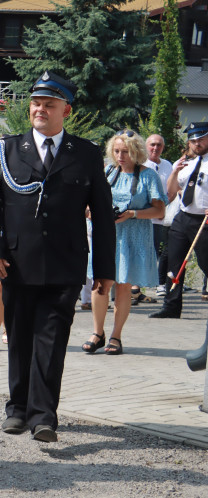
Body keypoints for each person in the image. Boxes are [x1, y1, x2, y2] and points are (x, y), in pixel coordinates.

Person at [0, 71, 115, 443]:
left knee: (51, 341)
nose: (40, 109)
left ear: (66, 110)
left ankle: (43, 415)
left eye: (49, 104)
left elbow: (102, 213)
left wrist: (105, 269)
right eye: (36, 103)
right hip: (16, 264)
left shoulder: (85, 153)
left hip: (65, 265)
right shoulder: (7, 149)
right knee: (19, 337)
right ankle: (17, 409)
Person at [82, 132, 165, 356]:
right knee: (100, 283)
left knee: (123, 286)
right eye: (117, 151)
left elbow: (160, 210)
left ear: (136, 152)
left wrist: (133, 213)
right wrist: (90, 212)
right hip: (105, 234)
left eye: (125, 151)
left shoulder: (148, 176)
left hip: (133, 237)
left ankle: (116, 336)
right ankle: (97, 333)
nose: (120, 156)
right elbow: (88, 201)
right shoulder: (107, 172)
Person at [151, 123, 208, 319]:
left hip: (204, 221)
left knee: (205, 263)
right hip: (183, 218)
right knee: (173, 262)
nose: (196, 143)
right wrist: (175, 172)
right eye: (192, 140)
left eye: (200, 139)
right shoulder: (186, 164)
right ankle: (171, 306)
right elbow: (171, 194)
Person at [144, 134, 173, 299]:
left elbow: (171, 190)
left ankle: (158, 284)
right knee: (146, 253)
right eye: (152, 145)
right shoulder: (141, 165)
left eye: (159, 145)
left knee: (160, 253)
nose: (156, 148)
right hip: (145, 217)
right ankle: (136, 288)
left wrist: (163, 208)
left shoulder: (167, 165)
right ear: (146, 146)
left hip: (162, 218)